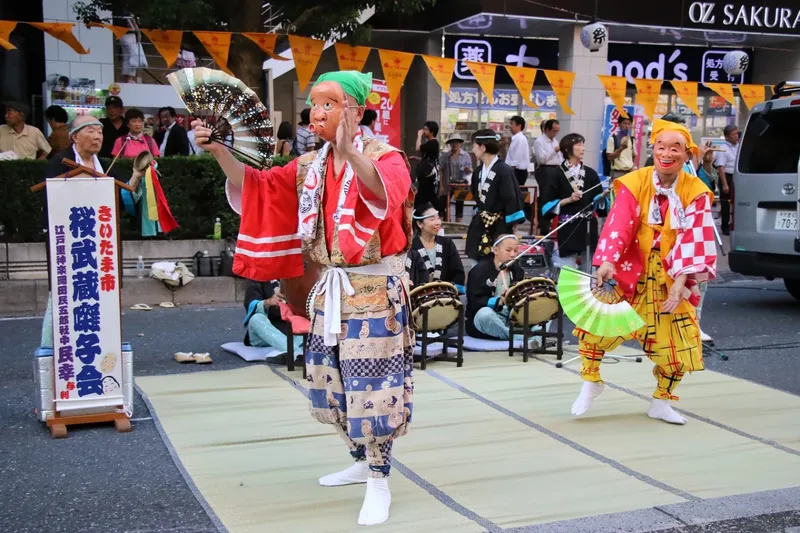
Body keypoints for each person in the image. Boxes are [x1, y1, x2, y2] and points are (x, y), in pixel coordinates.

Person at [192, 70, 413, 527]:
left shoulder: (386, 157)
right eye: (314, 103)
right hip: (329, 291)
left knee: (372, 389)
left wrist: (351, 152)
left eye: (329, 103)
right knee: (330, 383)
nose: (317, 112)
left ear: (355, 109)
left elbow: (386, 197)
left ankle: (378, 478)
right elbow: (259, 188)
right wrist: (219, 151)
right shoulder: (309, 165)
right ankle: (358, 460)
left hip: (374, 292)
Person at [570, 119, 717, 425]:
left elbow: (693, 238)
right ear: (653, 150)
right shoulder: (635, 182)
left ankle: (661, 401)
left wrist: (680, 282)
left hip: (670, 275)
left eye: (675, 148)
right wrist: (608, 260)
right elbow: (619, 222)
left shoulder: (696, 191)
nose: (667, 153)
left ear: (687, 154)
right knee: (594, 330)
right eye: (661, 147)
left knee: (680, 347)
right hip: (630, 271)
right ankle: (591, 382)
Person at [539, 133, 609, 271]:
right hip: (567, 225)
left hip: (588, 225)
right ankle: (568, 292)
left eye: (583, 145)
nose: (583, 148)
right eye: (579, 145)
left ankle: (590, 291)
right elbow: (545, 205)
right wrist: (568, 200)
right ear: (567, 149)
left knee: (590, 268)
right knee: (568, 269)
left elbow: (600, 207)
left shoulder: (591, 173)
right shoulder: (555, 174)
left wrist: (601, 198)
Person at [465, 129, 526, 260]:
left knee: (498, 262)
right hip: (481, 223)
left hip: (500, 225)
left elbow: (511, 198)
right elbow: (477, 196)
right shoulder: (478, 171)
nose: (473, 150)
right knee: (477, 261)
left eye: (474, 146)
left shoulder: (504, 170)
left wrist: (512, 228)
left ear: (482, 147)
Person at [465, 234, 525, 340]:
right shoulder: (480, 270)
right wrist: (499, 301)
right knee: (484, 314)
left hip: (510, 318)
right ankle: (518, 338)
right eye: (508, 250)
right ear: (496, 250)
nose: (513, 254)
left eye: (515, 251)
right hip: (486, 318)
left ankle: (512, 334)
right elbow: (474, 301)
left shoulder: (518, 271)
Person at [243, 279, 304, 365]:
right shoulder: (257, 276)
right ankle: (296, 353)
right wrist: (267, 302)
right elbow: (251, 304)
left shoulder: (294, 276)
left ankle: (284, 353)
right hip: (264, 333)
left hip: (290, 330)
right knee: (256, 319)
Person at [409, 204, 465, 293]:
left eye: (438, 218)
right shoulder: (411, 247)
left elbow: (458, 272)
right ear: (420, 224)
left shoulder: (447, 243)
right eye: (432, 219)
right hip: (420, 297)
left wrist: (449, 290)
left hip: (447, 295)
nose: (437, 222)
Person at [438, 133, 473, 221]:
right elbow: (441, 170)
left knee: (460, 205)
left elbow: (470, 170)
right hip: (447, 184)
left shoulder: (466, 155)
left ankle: (458, 226)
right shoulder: (445, 156)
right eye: (453, 142)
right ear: (450, 144)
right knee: (443, 204)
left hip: (461, 184)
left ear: (460, 143)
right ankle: (445, 224)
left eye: (457, 142)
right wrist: (441, 185)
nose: (455, 144)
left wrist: (468, 169)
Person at [715, 124, 739, 236]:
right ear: (727, 137)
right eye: (733, 134)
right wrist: (725, 184)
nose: (736, 136)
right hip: (726, 177)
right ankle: (725, 226)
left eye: (736, 133)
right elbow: (721, 167)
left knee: (737, 202)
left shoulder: (739, 146)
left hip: (737, 176)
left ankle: (735, 224)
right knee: (725, 204)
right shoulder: (723, 149)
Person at [414, 121, 440, 208]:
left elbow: (418, 148)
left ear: (432, 132)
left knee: (425, 195)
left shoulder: (433, 143)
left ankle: (439, 212)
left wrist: (419, 135)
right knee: (426, 196)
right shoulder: (431, 143)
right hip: (428, 174)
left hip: (429, 175)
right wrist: (417, 159)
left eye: (425, 129)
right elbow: (429, 158)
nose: (423, 131)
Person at [532, 119, 562, 192]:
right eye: (554, 131)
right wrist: (554, 150)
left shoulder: (555, 141)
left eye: (557, 131)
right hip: (546, 170)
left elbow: (559, 157)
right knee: (546, 193)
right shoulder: (539, 141)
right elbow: (541, 159)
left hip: (557, 169)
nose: (556, 133)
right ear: (547, 129)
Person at [606, 115, 637, 180]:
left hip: (630, 173)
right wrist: (621, 148)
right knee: (616, 190)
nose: (627, 126)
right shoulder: (613, 139)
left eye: (629, 124)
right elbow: (609, 157)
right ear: (619, 124)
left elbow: (633, 156)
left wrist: (633, 166)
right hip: (617, 173)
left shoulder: (632, 140)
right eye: (624, 123)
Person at [505, 116, 532, 186]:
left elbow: (516, 158)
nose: (510, 126)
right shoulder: (515, 138)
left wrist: (509, 171)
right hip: (514, 170)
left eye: (512, 124)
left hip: (517, 172)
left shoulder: (520, 139)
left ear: (519, 126)